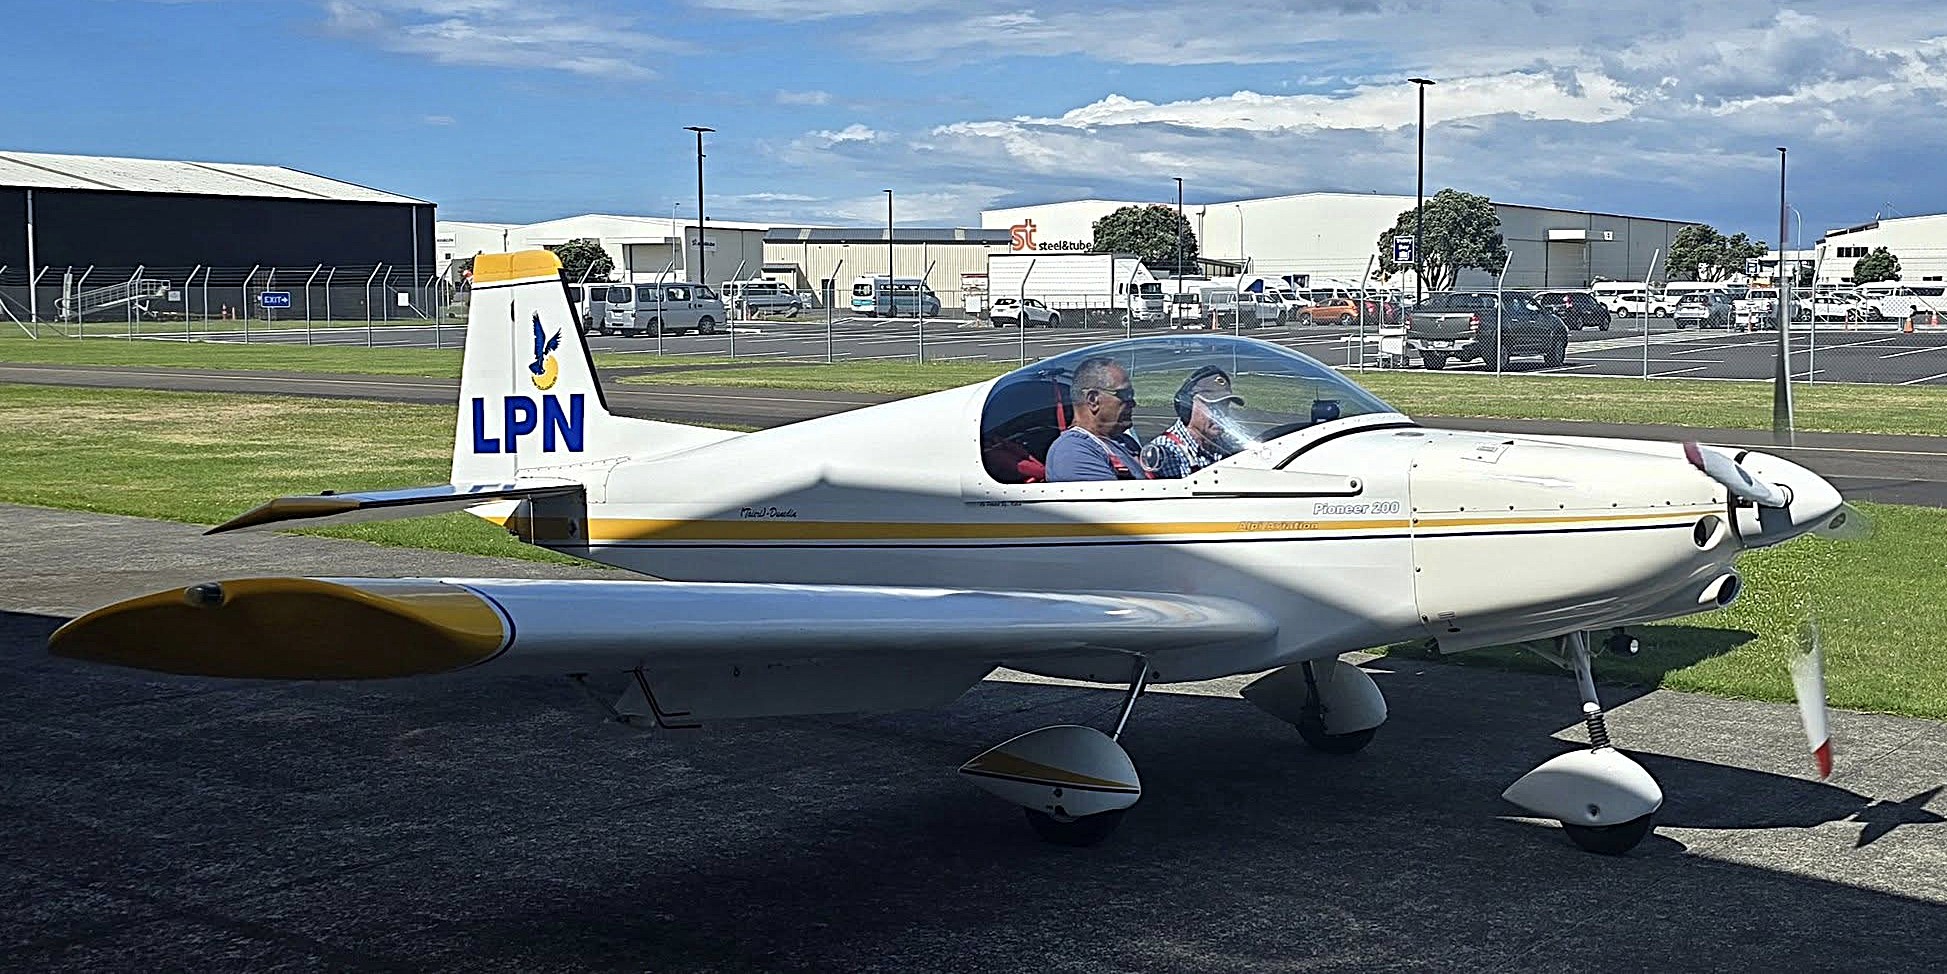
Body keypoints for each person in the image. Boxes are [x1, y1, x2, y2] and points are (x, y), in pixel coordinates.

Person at [1044, 356, 1151, 481]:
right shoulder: (1073, 452)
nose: (1132, 403)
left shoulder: (1124, 441)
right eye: (1125, 395)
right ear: (1093, 400)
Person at [1143, 366, 1246, 478]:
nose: (1221, 415)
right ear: (1188, 406)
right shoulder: (1166, 453)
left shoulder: (1228, 445)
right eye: (1213, 407)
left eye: (1224, 406)